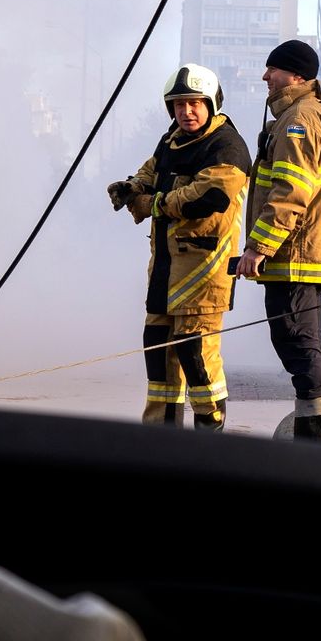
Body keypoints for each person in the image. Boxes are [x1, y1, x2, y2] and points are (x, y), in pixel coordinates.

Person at [108, 64, 251, 430]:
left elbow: (208, 197)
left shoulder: (227, 147)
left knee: (195, 349)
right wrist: (133, 187)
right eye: (178, 104)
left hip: (204, 268)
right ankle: (160, 435)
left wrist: (152, 204)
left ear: (211, 104)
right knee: (157, 345)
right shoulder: (171, 140)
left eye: (194, 103)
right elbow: (152, 169)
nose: (186, 112)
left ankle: (209, 427)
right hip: (165, 266)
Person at [234, 39, 321, 443]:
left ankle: (313, 443)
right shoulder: (318, 116)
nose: (266, 76)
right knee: (305, 342)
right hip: (308, 251)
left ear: (296, 75)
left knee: (297, 342)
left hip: (295, 254)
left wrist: (258, 247)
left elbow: (290, 191)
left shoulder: (298, 120)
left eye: (274, 69)